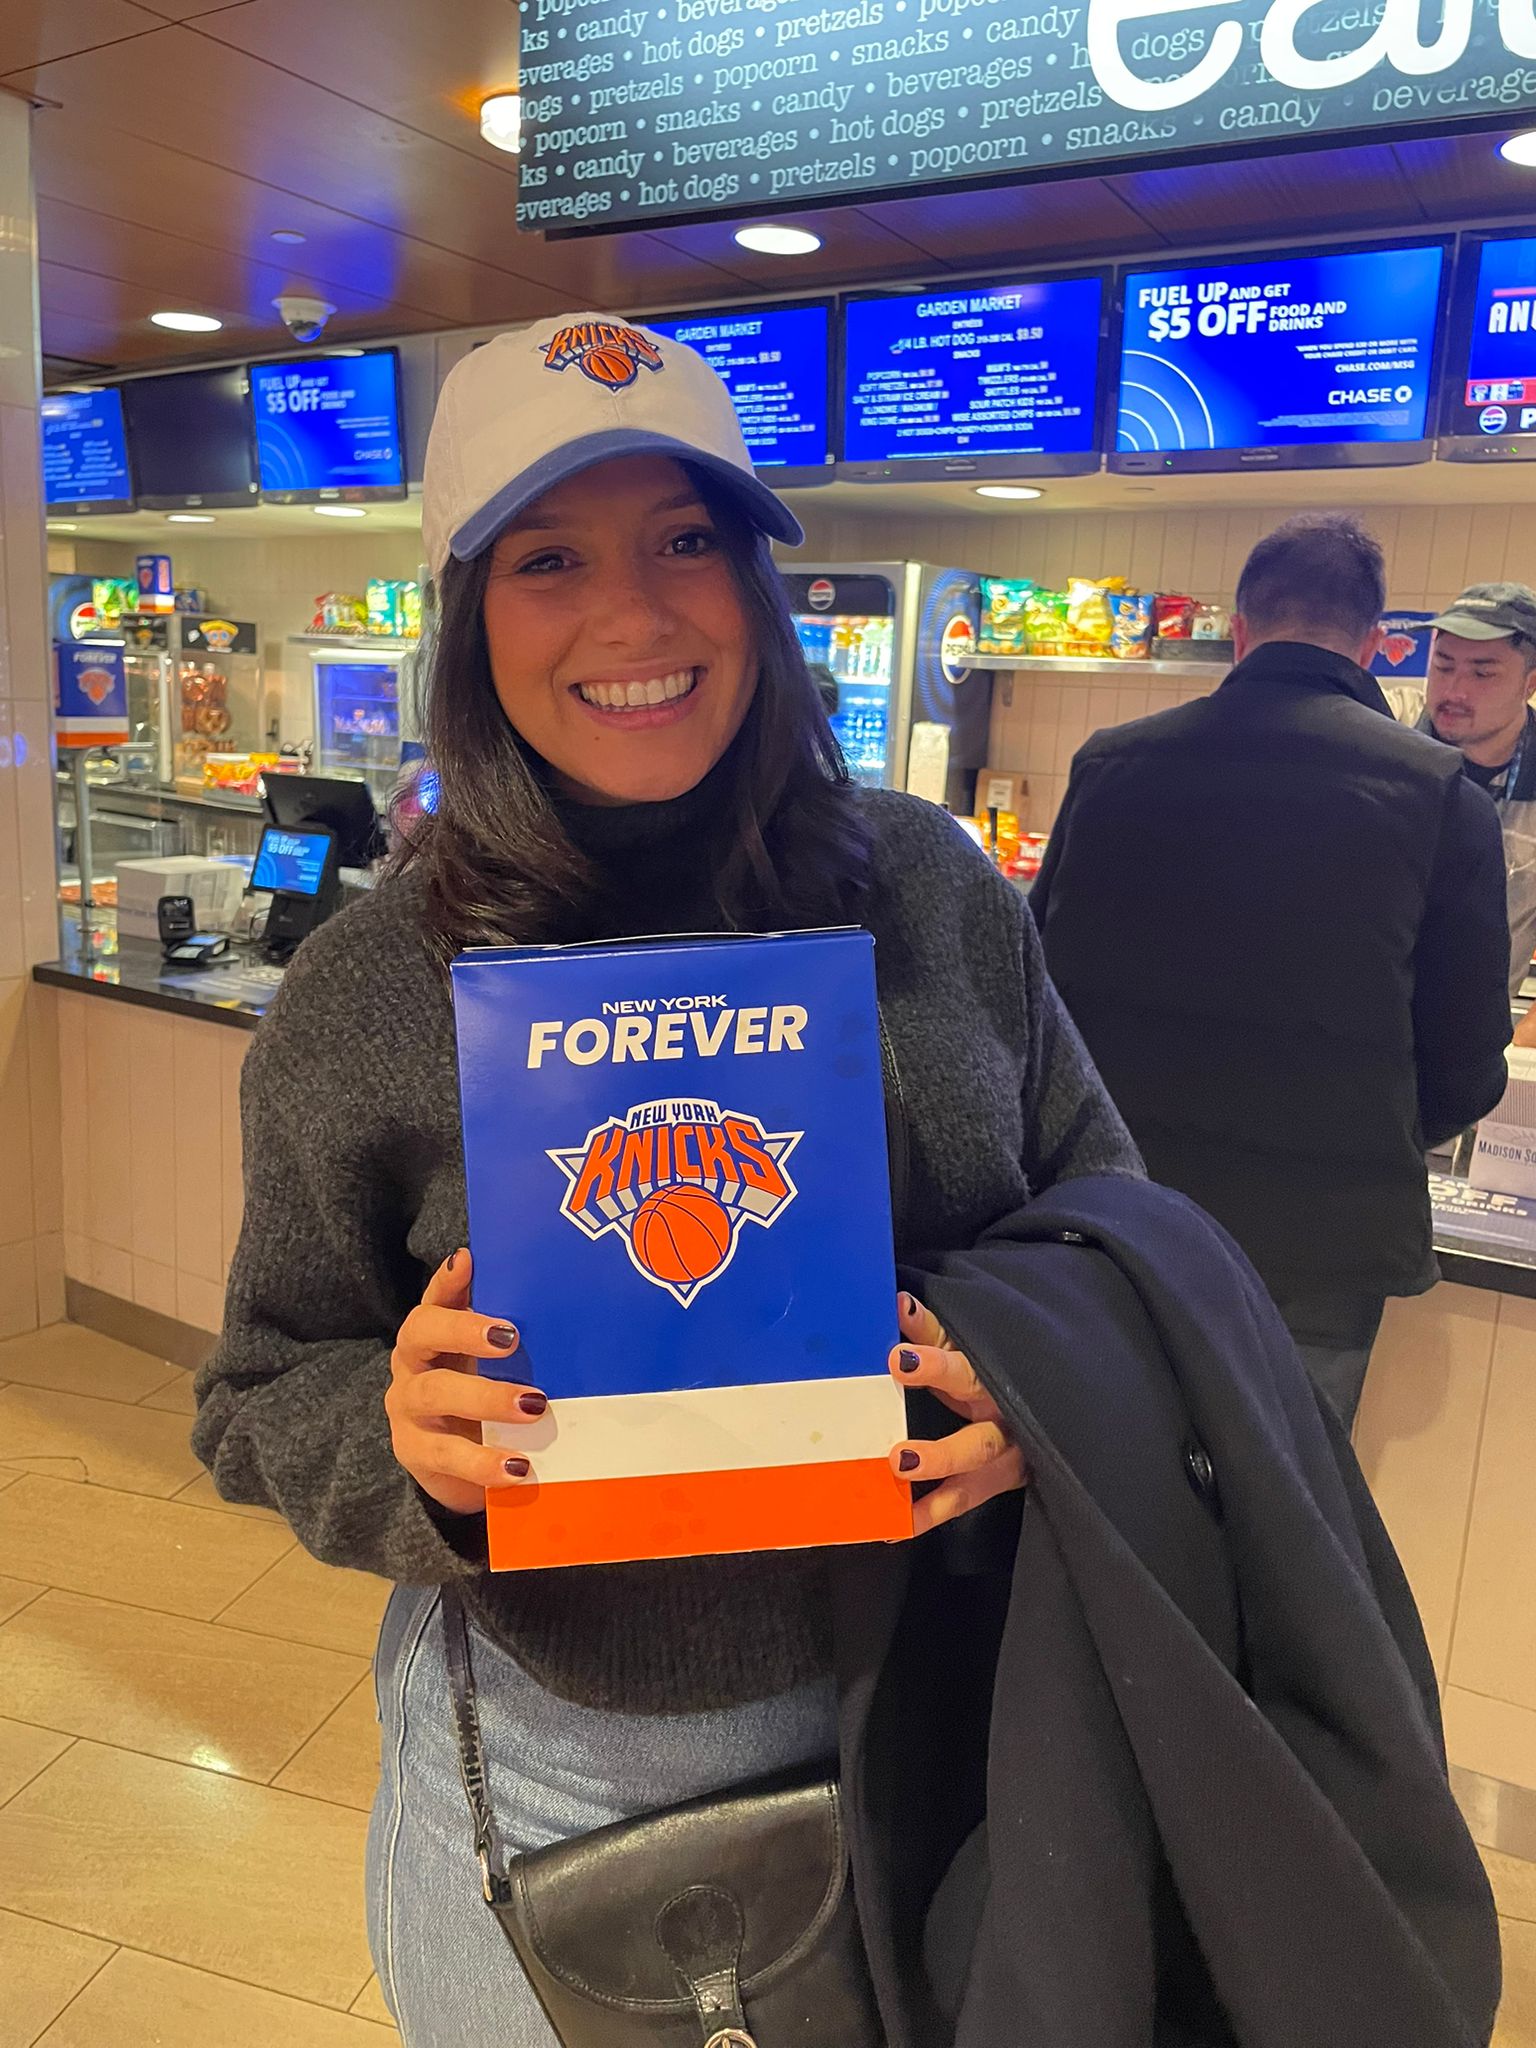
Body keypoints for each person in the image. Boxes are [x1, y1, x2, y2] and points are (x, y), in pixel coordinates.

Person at [191, 315, 1140, 2047]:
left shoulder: (931, 891)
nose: (634, 616)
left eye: (686, 540)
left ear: (757, 590)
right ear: (470, 619)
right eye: (550, 559)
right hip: (584, 1761)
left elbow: (1109, 1223)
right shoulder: (373, 985)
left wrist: (1042, 1386)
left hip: (969, 1696)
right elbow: (257, 1388)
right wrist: (405, 1442)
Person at [1030, 512, 1512, 1429]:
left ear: (1242, 631)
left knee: (1099, 1498)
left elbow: (1037, 995)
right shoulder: (1440, 795)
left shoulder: (1110, 766)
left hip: (1116, 1220)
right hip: (1320, 1248)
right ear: (1375, 647)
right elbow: (1465, 1064)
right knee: (1278, 1521)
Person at [1418, 582, 1536, 1039]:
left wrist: (1511, 1060)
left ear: (1530, 682)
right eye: (1443, 666)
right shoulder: (1382, 741)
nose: (1454, 690)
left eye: (1482, 674)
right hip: (1360, 1039)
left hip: (1473, 1049)